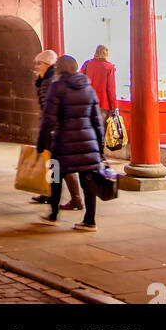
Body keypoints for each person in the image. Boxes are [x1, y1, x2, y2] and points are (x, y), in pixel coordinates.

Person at [37, 55, 105, 233]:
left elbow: (49, 119)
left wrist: (41, 141)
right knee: (88, 181)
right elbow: (97, 120)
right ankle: (90, 221)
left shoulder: (57, 87)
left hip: (64, 141)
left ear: (60, 68)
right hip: (88, 142)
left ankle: (53, 215)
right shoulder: (88, 88)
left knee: (55, 177)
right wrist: (100, 146)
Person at [30, 50, 83, 211]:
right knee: (52, 164)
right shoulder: (45, 79)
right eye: (36, 63)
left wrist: (48, 129)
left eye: (40, 63)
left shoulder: (50, 82)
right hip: (54, 129)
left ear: (49, 65)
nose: (36, 66)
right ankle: (49, 193)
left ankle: (75, 199)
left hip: (55, 130)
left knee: (62, 166)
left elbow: (49, 108)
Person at [81, 45, 118, 129]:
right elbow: (111, 89)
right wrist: (115, 107)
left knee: (89, 128)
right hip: (103, 104)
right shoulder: (109, 67)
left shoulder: (87, 64)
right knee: (100, 130)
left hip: (88, 102)